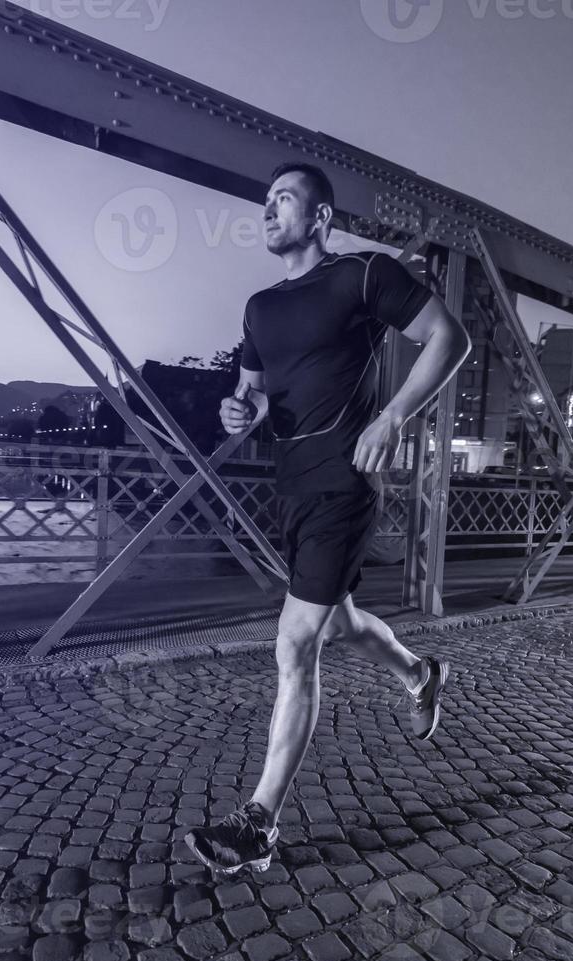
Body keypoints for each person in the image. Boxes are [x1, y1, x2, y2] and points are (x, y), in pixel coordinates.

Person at [182, 162, 473, 876]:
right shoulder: (257, 308)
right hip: (291, 486)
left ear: (320, 218)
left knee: (295, 642)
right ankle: (418, 674)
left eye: (284, 198)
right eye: (264, 199)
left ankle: (258, 823)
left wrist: (394, 414)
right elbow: (248, 397)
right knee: (335, 618)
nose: (268, 209)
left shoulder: (361, 277)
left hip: (344, 482)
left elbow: (448, 337)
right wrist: (235, 413)